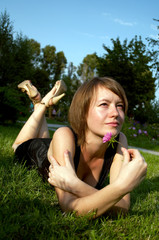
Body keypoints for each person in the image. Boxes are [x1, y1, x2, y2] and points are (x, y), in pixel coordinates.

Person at [12, 77, 147, 218]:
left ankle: (41, 103)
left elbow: (123, 208)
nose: (115, 113)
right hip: (36, 150)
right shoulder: (63, 135)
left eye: (119, 105)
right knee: (17, 146)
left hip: (57, 146)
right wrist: (120, 188)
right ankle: (41, 105)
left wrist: (74, 184)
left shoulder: (120, 140)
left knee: (45, 136)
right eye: (104, 104)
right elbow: (69, 206)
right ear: (82, 111)